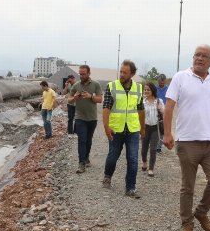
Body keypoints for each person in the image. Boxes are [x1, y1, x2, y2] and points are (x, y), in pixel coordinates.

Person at [163, 44, 210, 231]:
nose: (199, 58)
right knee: (188, 186)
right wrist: (167, 133)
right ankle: (186, 223)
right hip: (187, 141)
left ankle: (201, 212)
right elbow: (169, 107)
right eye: (197, 55)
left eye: (204, 56)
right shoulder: (180, 77)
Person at [102, 60, 145, 197]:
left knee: (133, 158)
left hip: (132, 129)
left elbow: (140, 109)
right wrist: (106, 127)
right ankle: (107, 176)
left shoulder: (138, 88)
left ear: (132, 74)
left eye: (125, 72)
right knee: (113, 156)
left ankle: (130, 187)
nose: (121, 74)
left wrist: (142, 129)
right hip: (116, 129)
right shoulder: (112, 86)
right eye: (121, 71)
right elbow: (106, 108)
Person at [69, 65, 103, 173]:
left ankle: (87, 157)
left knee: (88, 140)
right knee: (81, 140)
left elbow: (100, 99)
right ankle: (81, 163)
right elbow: (69, 100)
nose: (81, 76)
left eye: (83, 74)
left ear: (89, 73)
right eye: (80, 73)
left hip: (92, 118)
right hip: (80, 117)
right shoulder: (76, 85)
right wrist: (75, 97)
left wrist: (90, 97)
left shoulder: (96, 84)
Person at [140, 82, 164, 177]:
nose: (146, 91)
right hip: (145, 127)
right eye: (145, 89)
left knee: (153, 149)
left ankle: (151, 168)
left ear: (153, 90)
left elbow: (164, 112)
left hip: (155, 127)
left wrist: (161, 109)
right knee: (144, 149)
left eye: (148, 89)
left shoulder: (159, 101)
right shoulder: (142, 101)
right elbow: (138, 114)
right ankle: (144, 162)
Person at [155, 74, 169, 152]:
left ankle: (159, 147)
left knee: (162, 129)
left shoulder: (168, 89)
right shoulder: (154, 88)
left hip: (164, 111)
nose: (162, 84)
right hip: (154, 110)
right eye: (160, 83)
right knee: (154, 128)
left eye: (163, 83)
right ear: (158, 81)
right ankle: (153, 143)